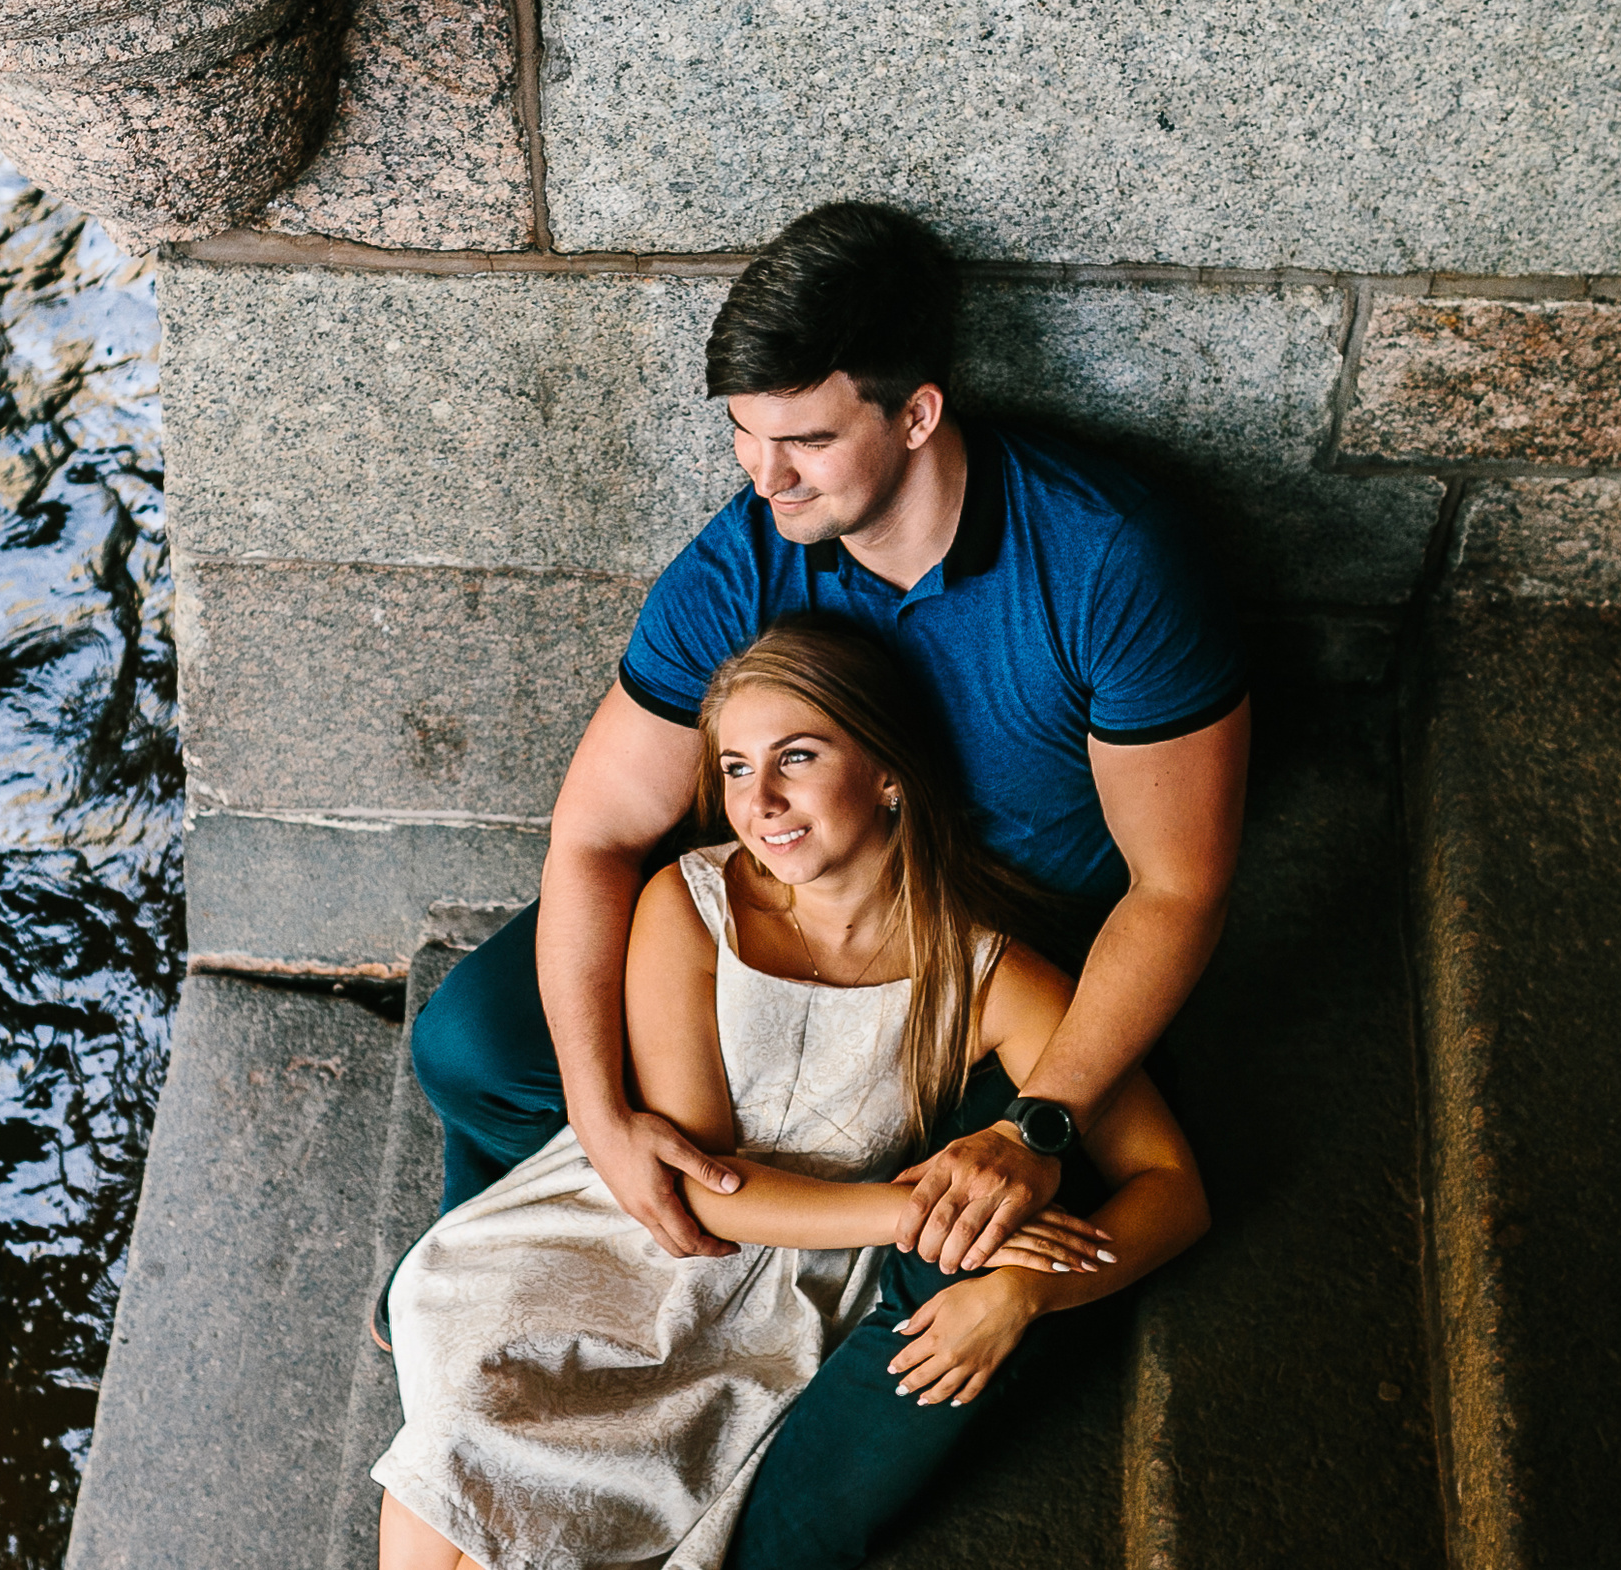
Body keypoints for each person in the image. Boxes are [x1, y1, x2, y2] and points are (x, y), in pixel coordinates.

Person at [401, 201, 1250, 1564]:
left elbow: (1179, 889)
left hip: (991, 955)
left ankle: (746, 1499)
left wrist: (1039, 1120)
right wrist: (605, 1115)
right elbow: (598, 832)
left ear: (915, 414)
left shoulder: (1105, 557)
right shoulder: (746, 552)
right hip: (790, 900)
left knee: (967, 1250)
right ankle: (505, 1271)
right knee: (476, 1041)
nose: (765, 474)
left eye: (803, 438)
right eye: (744, 432)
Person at [375, 618, 1210, 1570]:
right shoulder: (691, 905)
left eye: (796, 758)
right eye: (733, 768)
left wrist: (1023, 1290)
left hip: (793, 1296)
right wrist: (912, 1218)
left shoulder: (994, 979)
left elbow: (1172, 1187)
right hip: (631, 1231)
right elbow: (700, 1185)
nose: (759, 801)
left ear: (888, 771)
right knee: (468, 1442)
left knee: (560, 1491)